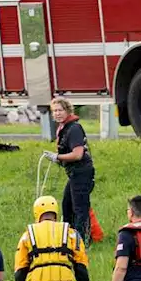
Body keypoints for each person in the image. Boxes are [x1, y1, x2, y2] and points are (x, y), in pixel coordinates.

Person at [41, 97, 96, 244]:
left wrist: (58, 157)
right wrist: (56, 158)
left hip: (82, 172)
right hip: (74, 173)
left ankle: (80, 242)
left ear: (68, 111)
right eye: (54, 111)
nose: (57, 114)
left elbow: (78, 154)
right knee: (67, 206)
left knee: (79, 208)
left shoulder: (74, 129)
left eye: (60, 110)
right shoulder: (64, 128)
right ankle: (71, 238)